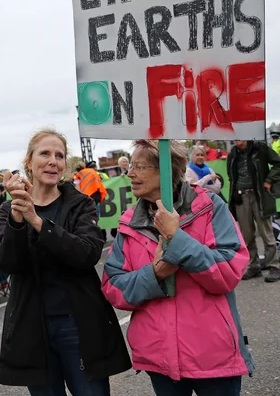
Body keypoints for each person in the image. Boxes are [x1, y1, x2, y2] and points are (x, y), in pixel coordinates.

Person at [102, 139, 254, 395]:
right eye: (132, 166)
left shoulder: (209, 206)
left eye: (140, 166)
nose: (130, 173)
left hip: (213, 357)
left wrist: (178, 239)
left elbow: (228, 273)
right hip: (159, 359)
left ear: (167, 170)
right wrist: (156, 274)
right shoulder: (129, 223)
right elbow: (112, 286)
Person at [0, 128, 131, 395]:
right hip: (32, 326)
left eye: (59, 155)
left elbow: (87, 253)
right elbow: (9, 264)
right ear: (29, 162)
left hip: (77, 324)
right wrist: (18, 219)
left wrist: (37, 221)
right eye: (44, 153)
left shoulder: (81, 204)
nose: (53, 161)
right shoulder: (9, 209)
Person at [227, 140, 280, 283]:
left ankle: (274, 266)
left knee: (266, 233)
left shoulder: (260, 148)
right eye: (235, 137)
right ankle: (254, 266)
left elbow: (278, 163)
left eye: (241, 136)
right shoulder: (232, 153)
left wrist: (269, 180)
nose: (238, 140)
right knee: (247, 235)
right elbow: (231, 177)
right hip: (241, 197)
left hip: (259, 196)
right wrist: (233, 196)